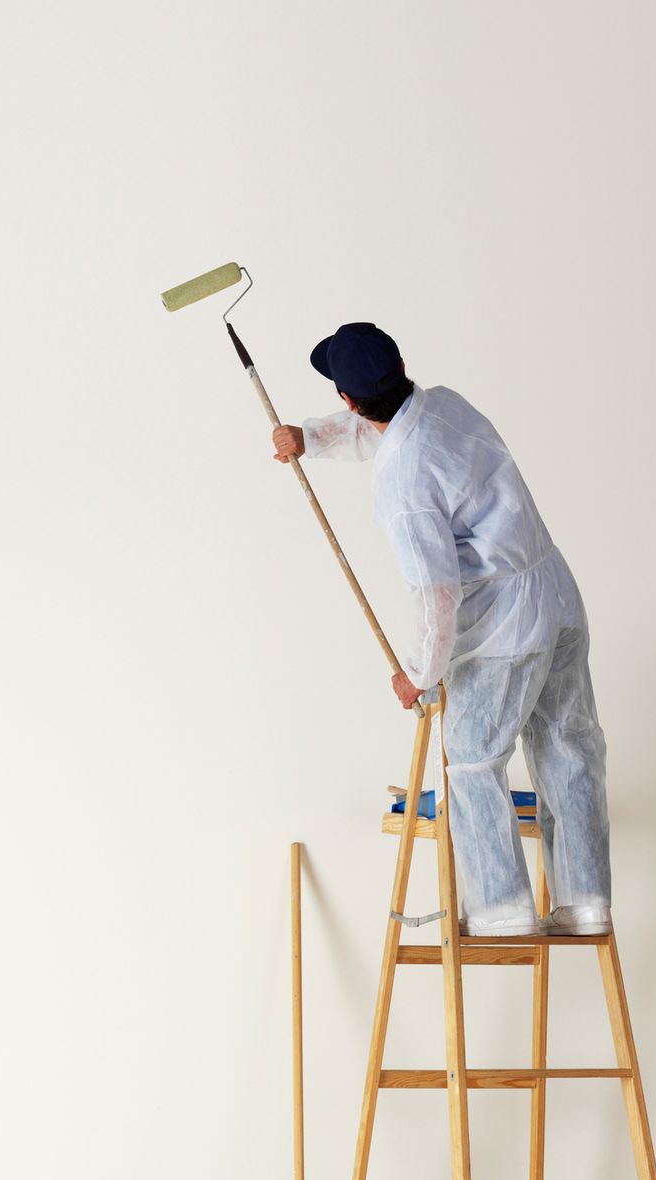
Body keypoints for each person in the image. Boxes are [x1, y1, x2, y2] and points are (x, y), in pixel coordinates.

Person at [271, 321, 612, 939]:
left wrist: (421, 676)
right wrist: (308, 439)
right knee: (570, 746)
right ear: (399, 366)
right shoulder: (445, 404)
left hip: (506, 623)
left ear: (348, 397)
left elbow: (437, 593)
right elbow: (388, 426)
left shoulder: (404, 484)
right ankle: (585, 902)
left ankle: (503, 911)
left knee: (475, 761)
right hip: (556, 593)